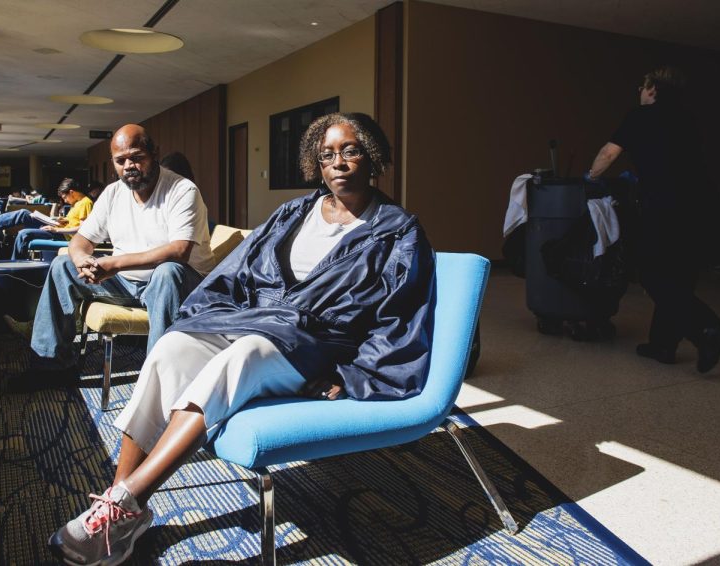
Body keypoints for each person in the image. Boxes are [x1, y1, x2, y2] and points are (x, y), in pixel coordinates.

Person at [48, 112, 436, 565]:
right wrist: (205, 314)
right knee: (172, 348)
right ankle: (124, 508)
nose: (339, 163)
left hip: (317, 343)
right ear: (316, 163)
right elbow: (240, 272)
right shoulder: (295, 211)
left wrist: (351, 375)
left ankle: (123, 505)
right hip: (262, 320)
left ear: (373, 157)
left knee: (245, 356)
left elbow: (400, 316)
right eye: (327, 154)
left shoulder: (398, 231)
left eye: (351, 151)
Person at [11, 124, 215, 391]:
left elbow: (179, 251)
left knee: (168, 271)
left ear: (154, 153)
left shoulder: (182, 190)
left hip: (182, 286)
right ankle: (52, 367)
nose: (129, 165)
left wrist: (113, 264)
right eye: (121, 161)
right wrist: (84, 259)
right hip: (128, 283)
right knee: (62, 265)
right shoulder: (113, 193)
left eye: (136, 157)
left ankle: (159, 383)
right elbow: (82, 240)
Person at [585, 65, 720, 373]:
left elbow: (609, 154)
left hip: (665, 207)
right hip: (702, 209)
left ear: (652, 89)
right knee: (679, 275)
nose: (639, 91)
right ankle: (663, 345)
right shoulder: (690, 119)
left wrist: (589, 177)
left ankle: (708, 328)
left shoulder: (640, 116)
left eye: (642, 86)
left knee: (653, 275)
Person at [0, 178, 93, 260]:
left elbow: (82, 229)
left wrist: (57, 230)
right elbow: (72, 222)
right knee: (23, 213)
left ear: (72, 192)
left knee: (24, 233)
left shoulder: (85, 203)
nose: (65, 201)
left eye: (64, 197)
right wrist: (60, 220)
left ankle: (15, 264)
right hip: (56, 228)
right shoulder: (76, 203)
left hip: (64, 236)